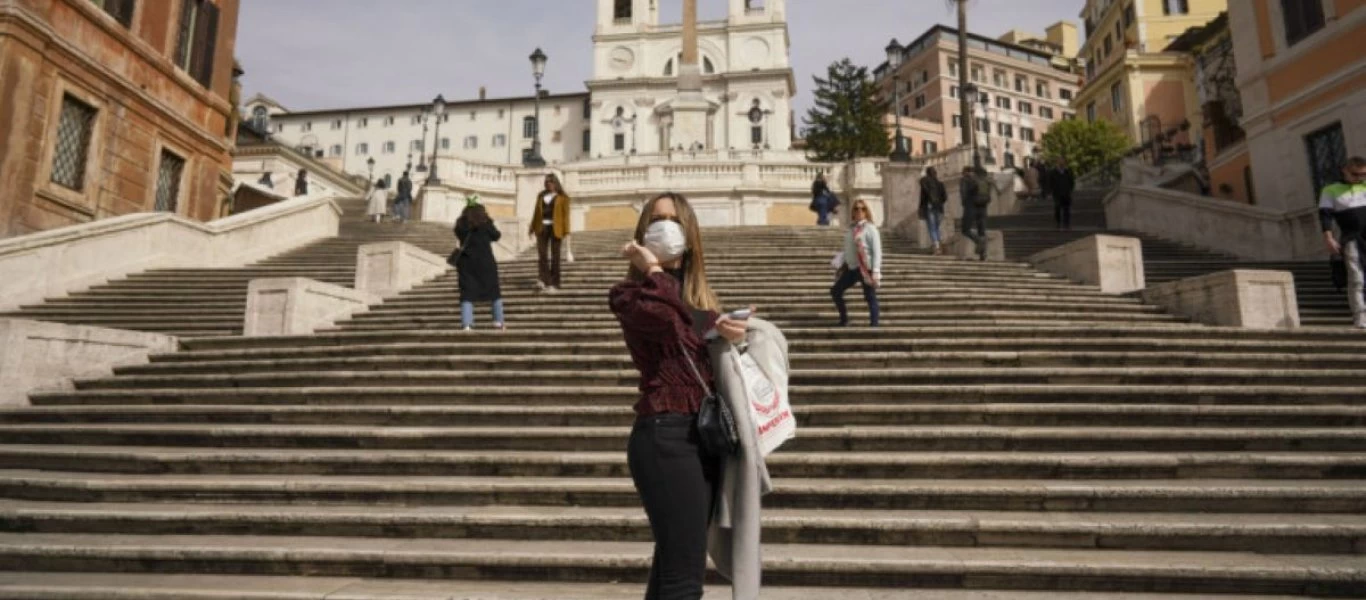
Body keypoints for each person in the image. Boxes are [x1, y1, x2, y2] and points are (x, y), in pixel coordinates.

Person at [609, 192, 749, 599]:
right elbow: (664, 314)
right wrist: (652, 267)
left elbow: (692, 330)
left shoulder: (700, 305)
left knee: (673, 568)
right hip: (664, 435)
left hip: (703, 436)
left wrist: (735, 335)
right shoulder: (630, 296)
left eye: (673, 220)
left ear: (689, 233)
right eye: (656, 220)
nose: (664, 227)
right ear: (641, 233)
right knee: (684, 580)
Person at [1319, 156, 1366, 329]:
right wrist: (1328, 238)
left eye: (1364, 175)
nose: (1360, 178)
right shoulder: (1330, 190)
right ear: (1345, 170)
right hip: (1351, 237)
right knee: (1356, 277)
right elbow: (1325, 215)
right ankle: (1360, 316)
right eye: (1356, 174)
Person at [452, 198, 505, 331]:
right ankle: (498, 321)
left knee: (466, 292)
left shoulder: (461, 223)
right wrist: (488, 220)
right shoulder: (485, 223)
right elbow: (497, 236)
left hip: (466, 261)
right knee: (494, 291)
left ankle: (467, 323)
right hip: (485, 261)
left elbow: (458, 234)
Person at [832, 199, 882, 327]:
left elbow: (877, 250)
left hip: (866, 267)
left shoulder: (871, 229)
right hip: (852, 267)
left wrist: (876, 270)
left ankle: (874, 325)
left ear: (866, 212)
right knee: (835, 291)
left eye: (863, 209)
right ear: (853, 212)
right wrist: (842, 263)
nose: (859, 211)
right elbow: (848, 249)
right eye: (856, 209)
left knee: (870, 296)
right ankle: (844, 319)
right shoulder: (851, 230)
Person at [529, 173, 570, 292]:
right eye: (547, 182)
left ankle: (555, 283)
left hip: (556, 228)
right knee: (542, 255)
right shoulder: (541, 195)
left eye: (551, 182)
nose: (548, 184)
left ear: (556, 183)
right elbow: (536, 212)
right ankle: (543, 280)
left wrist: (567, 231)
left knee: (555, 256)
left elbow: (566, 217)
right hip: (542, 227)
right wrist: (532, 228)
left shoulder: (563, 197)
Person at [960, 166, 990, 261]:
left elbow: (963, 194)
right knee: (981, 230)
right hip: (983, 207)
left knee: (965, 229)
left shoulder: (965, 180)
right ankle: (983, 254)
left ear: (965, 172)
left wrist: (965, 203)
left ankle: (978, 241)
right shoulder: (984, 180)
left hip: (971, 206)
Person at [918, 167, 948, 255]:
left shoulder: (925, 181)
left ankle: (937, 246)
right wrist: (939, 202)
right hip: (939, 208)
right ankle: (940, 244)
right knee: (936, 227)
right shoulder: (940, 184)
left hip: (929, 206)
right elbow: (945, 197)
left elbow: (924, 195)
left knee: (932, 227)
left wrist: (922, 207)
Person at [1051, 158, 1076, 230]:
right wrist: (1053, 191)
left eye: (1063, 162)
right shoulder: (1053, 172)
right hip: (1057, 194)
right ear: (1057, 163)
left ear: (1065, 163)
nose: (1061, 164)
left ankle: (1066, 224)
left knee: (1067, 210)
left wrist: (1070, 190)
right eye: (1059, 162)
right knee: (1057, 209)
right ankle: (1058, 223)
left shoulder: (1068, 172)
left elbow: (1072, 182)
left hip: (1066, 194)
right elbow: (1051, 182)